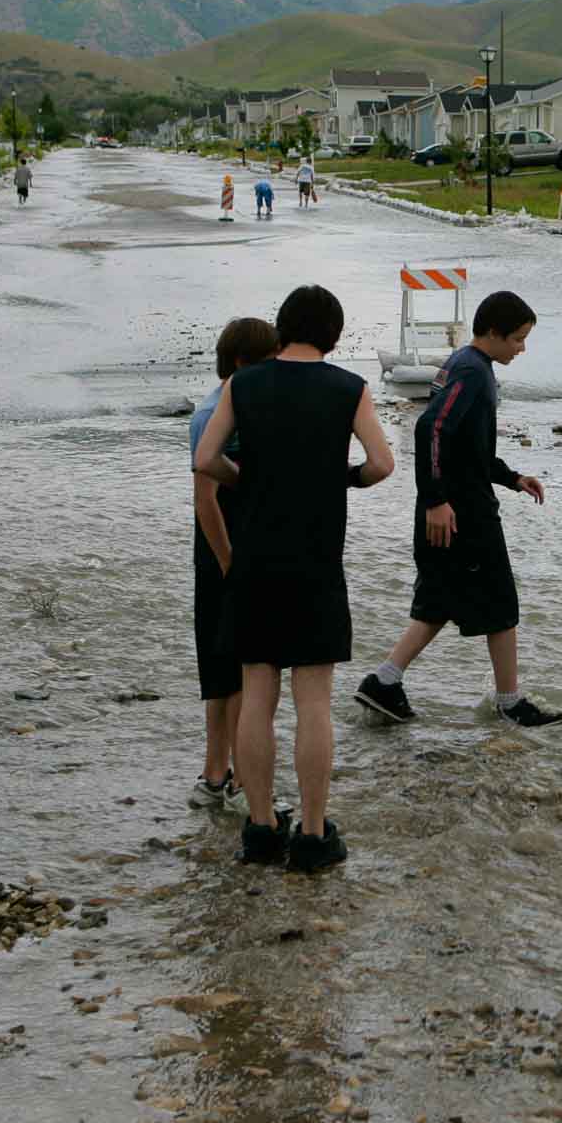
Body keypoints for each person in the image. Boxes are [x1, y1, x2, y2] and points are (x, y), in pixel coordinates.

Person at [194, 285, 395, 871]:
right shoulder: (348, 388)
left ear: (283, 328)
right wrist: (342, 480)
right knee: (314, 699)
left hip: (255, 558)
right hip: (316, 561)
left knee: (257, 693)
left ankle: (259, 829)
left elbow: (206, 458)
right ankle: (311, 834)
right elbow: (382, 465)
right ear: (333, 334)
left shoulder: (243, 384)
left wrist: (245, 482)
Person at [353, 290, 562, 729]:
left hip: (449, 507)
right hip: (461, 513)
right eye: (519, 339)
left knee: (438, 600)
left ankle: (384, 681)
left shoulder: (465, 365)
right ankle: (510, 702)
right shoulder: (471, 371)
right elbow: (431, 428)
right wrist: (435, 500)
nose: (522, 348)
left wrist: (511, 477)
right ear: (493, 332)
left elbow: (466, 446)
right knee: (502, 603)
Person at [187, 316, 279, 814]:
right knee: (242, 671)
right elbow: (205, 499)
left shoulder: (235, 405)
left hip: (228, 552)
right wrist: (230, 565)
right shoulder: (214, 415)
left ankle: (214, 776)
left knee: (223, 668)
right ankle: (242, 781)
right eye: (270, 362)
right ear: (243, 363)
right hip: (225, 553)